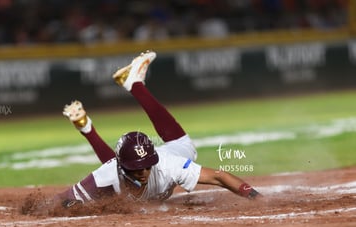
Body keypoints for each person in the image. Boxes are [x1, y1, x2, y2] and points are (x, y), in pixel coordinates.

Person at [57, 50, 261, 208]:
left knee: (185, 147)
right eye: (137, 168)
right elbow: (61, 201)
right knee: (180, 145)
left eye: (147, 165)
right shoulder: (107, 174)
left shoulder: (168, 166)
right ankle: (126, 92)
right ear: (123, 167)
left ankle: (133, 86)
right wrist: (71, 207)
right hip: (120, 170)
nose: (144, 172)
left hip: (167, 155)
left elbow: (219, 176)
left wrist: (254, 196)